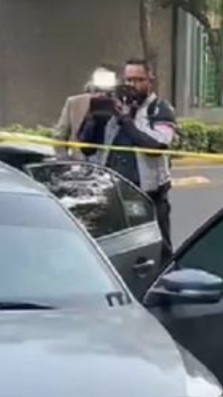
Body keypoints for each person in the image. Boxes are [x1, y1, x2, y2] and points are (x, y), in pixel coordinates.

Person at [76, 58, 178, 254]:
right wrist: (93, 116)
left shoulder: (159, 109)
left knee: (159, 250)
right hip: (113, 193)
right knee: (113, 249)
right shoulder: (112, 108)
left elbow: (155, 145)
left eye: (138, 80)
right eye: (128, 80)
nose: (132, 85)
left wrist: (125, 119)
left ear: (150, 81)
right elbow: (87, 148)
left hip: (148, 194)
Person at [51, 65, 114, 159]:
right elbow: (60, 136)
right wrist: (64, 162)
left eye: (106, 91)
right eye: (98, 90)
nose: (101, 94)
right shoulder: (74, 103)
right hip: (79, 164)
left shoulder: (118, 105)